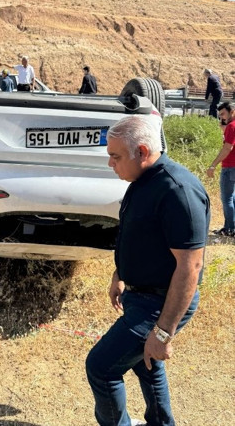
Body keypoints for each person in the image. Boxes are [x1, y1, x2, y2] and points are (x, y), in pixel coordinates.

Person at [86, 115, 210, 426]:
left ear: (142, 151)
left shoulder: (177, 190)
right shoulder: (142, 181)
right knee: (146, 364)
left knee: (101, 367)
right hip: (141, 296)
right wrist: (120, 274)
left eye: (115, 157)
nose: (111, 164)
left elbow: (190, 266)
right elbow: (136, 234)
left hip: (160, 303)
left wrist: (164, 331)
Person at [206, 101, 235, 236]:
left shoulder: (232, 126)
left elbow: (227, 148)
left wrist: (213, 165)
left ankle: (230, 229)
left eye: (223, 114)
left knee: (227, 198)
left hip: (229, 167)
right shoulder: (230, 127)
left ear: (232, 112)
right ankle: (230, 227)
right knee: (232, 198)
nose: (221, 117)